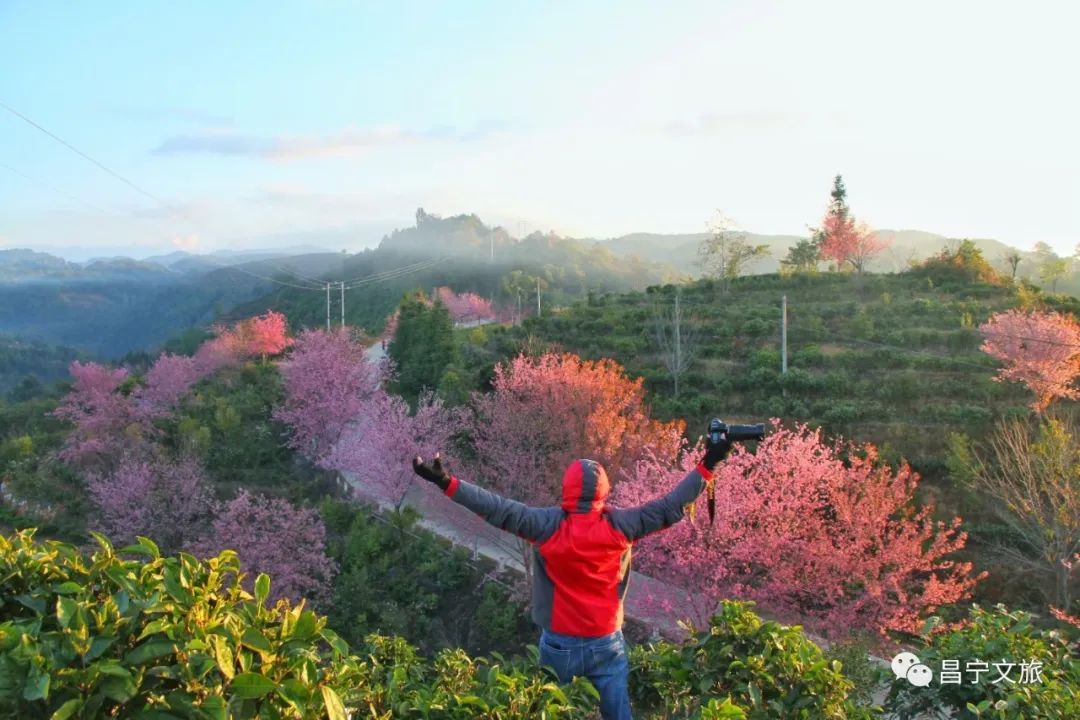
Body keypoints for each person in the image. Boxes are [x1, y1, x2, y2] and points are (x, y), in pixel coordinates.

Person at [411, 428, 733, 720]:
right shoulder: (623, 526)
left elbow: (498, 508)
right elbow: (670, 506)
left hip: (559, 642)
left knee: (548, 709)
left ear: (566, 489)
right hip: (606, 639)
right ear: (604, 491)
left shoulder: (546, 526)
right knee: (618, 713)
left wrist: (447, 482)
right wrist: (709, 464)